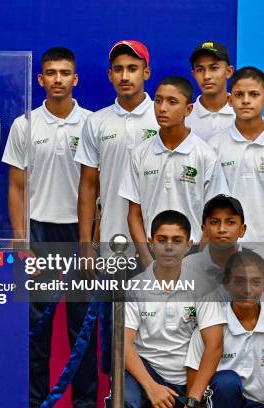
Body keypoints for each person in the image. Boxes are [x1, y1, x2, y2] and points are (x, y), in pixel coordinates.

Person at [2, 46, 95, 407]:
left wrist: (91, 240)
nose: (58, 79)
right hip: (38, 233)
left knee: (81, 329)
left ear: (75, 79)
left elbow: (95, 185)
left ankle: (85, 402)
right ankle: (35, 400)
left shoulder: (92, 123)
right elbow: (16, 186)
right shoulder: (25, 124)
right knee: (36, 332)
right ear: (40, 80)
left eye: (65, 73)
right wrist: (21, 239)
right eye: (51, 73)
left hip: (79, 234)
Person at [119, 76, 228, 266]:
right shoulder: (140, 154)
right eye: (158, 100)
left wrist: (199, 259)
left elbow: (215, 216)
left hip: (193, 252)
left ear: (188, 109)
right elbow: (134, 214)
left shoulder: (205, 155)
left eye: (172, 102)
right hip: (152, 252)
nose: (162, 108)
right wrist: (145, 257)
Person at [124, 210, 225, 408]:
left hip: (189, 377)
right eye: (162, 240)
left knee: (225, 386)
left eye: (177, 240)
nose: (169, 247)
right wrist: (151, 387)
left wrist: (193, 398)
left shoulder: (203, 286)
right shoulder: (135, 287)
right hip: (146, 373)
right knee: (127, 400)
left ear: (188, 245)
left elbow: (214, 345)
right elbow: (123, 344)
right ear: (151, 243)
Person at [74, 40, 157, 259]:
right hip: (112, 239)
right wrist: (85, 245)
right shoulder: (96, 121)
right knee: (113, 295)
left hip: (160, 240)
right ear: (110, 75)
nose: (125, 76)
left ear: (146, 73)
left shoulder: (163, 118)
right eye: (118, 70)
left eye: (132, 69)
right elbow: (88, 185)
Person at [185, 250, 264, 407]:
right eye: (239, 281)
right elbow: (193, 391)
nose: (248, 290)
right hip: (221, 403)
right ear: (226, 284)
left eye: (256, 282)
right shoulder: (210, 325)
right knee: (226, 382)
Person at [209, 66, 264, 244]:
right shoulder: (214, 146)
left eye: (254, 94)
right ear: (230, 100)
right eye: (239, 95)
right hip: (229, 248)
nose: (246, 101)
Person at [186, 41, 235, 142]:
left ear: (228, 72)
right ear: (194, 74)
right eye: (200, 70)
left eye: (214, 68)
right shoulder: (184, 118)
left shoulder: (245, 115)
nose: (206, 76)